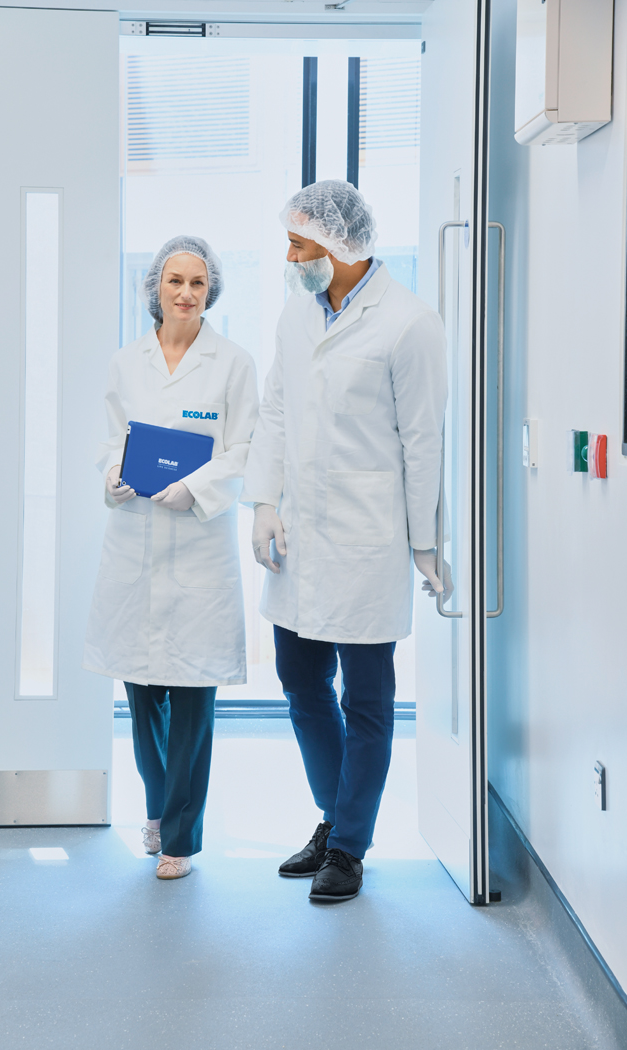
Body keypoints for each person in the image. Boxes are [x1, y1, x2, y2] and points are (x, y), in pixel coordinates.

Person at [241, 181, 451, 903]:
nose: (291, 257)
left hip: (368, 540)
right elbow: (274, 411)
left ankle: (349, 846)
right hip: (300, 536)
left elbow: (424, 441)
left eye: (300, 244)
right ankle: (335, 818)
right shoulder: (296, 317)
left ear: (342, 247)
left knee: (366, 698)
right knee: (299, 682)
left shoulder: (409, 324)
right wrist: (263, 501)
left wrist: (426, 543)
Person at [84, 235, 259, 880]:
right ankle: (159, 802)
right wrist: (112, 474)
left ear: (211, 290)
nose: (186, 294)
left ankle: (180, 835)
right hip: (135, 541)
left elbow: (243, 449)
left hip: (197, 550)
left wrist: (199, 488)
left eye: (198, 283)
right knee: (141, 690)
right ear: (155, 287)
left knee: (191, 699)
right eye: (174, 282)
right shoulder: (127, 362)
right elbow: (111, 437)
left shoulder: (233, 363)